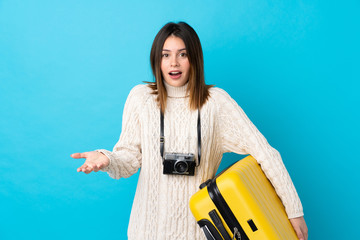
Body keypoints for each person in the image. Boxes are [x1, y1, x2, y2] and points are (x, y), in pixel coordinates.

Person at [71, 22, 308, 240]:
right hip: (146, 231)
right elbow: (128, 159)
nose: (174, 62)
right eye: (166, 55)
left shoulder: (216, 103)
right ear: (157, 60)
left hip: (201, 233)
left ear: (194, 59)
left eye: (182, 54)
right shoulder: (141, 98)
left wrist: (293, 210)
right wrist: (106, 158)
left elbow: (265, 153)